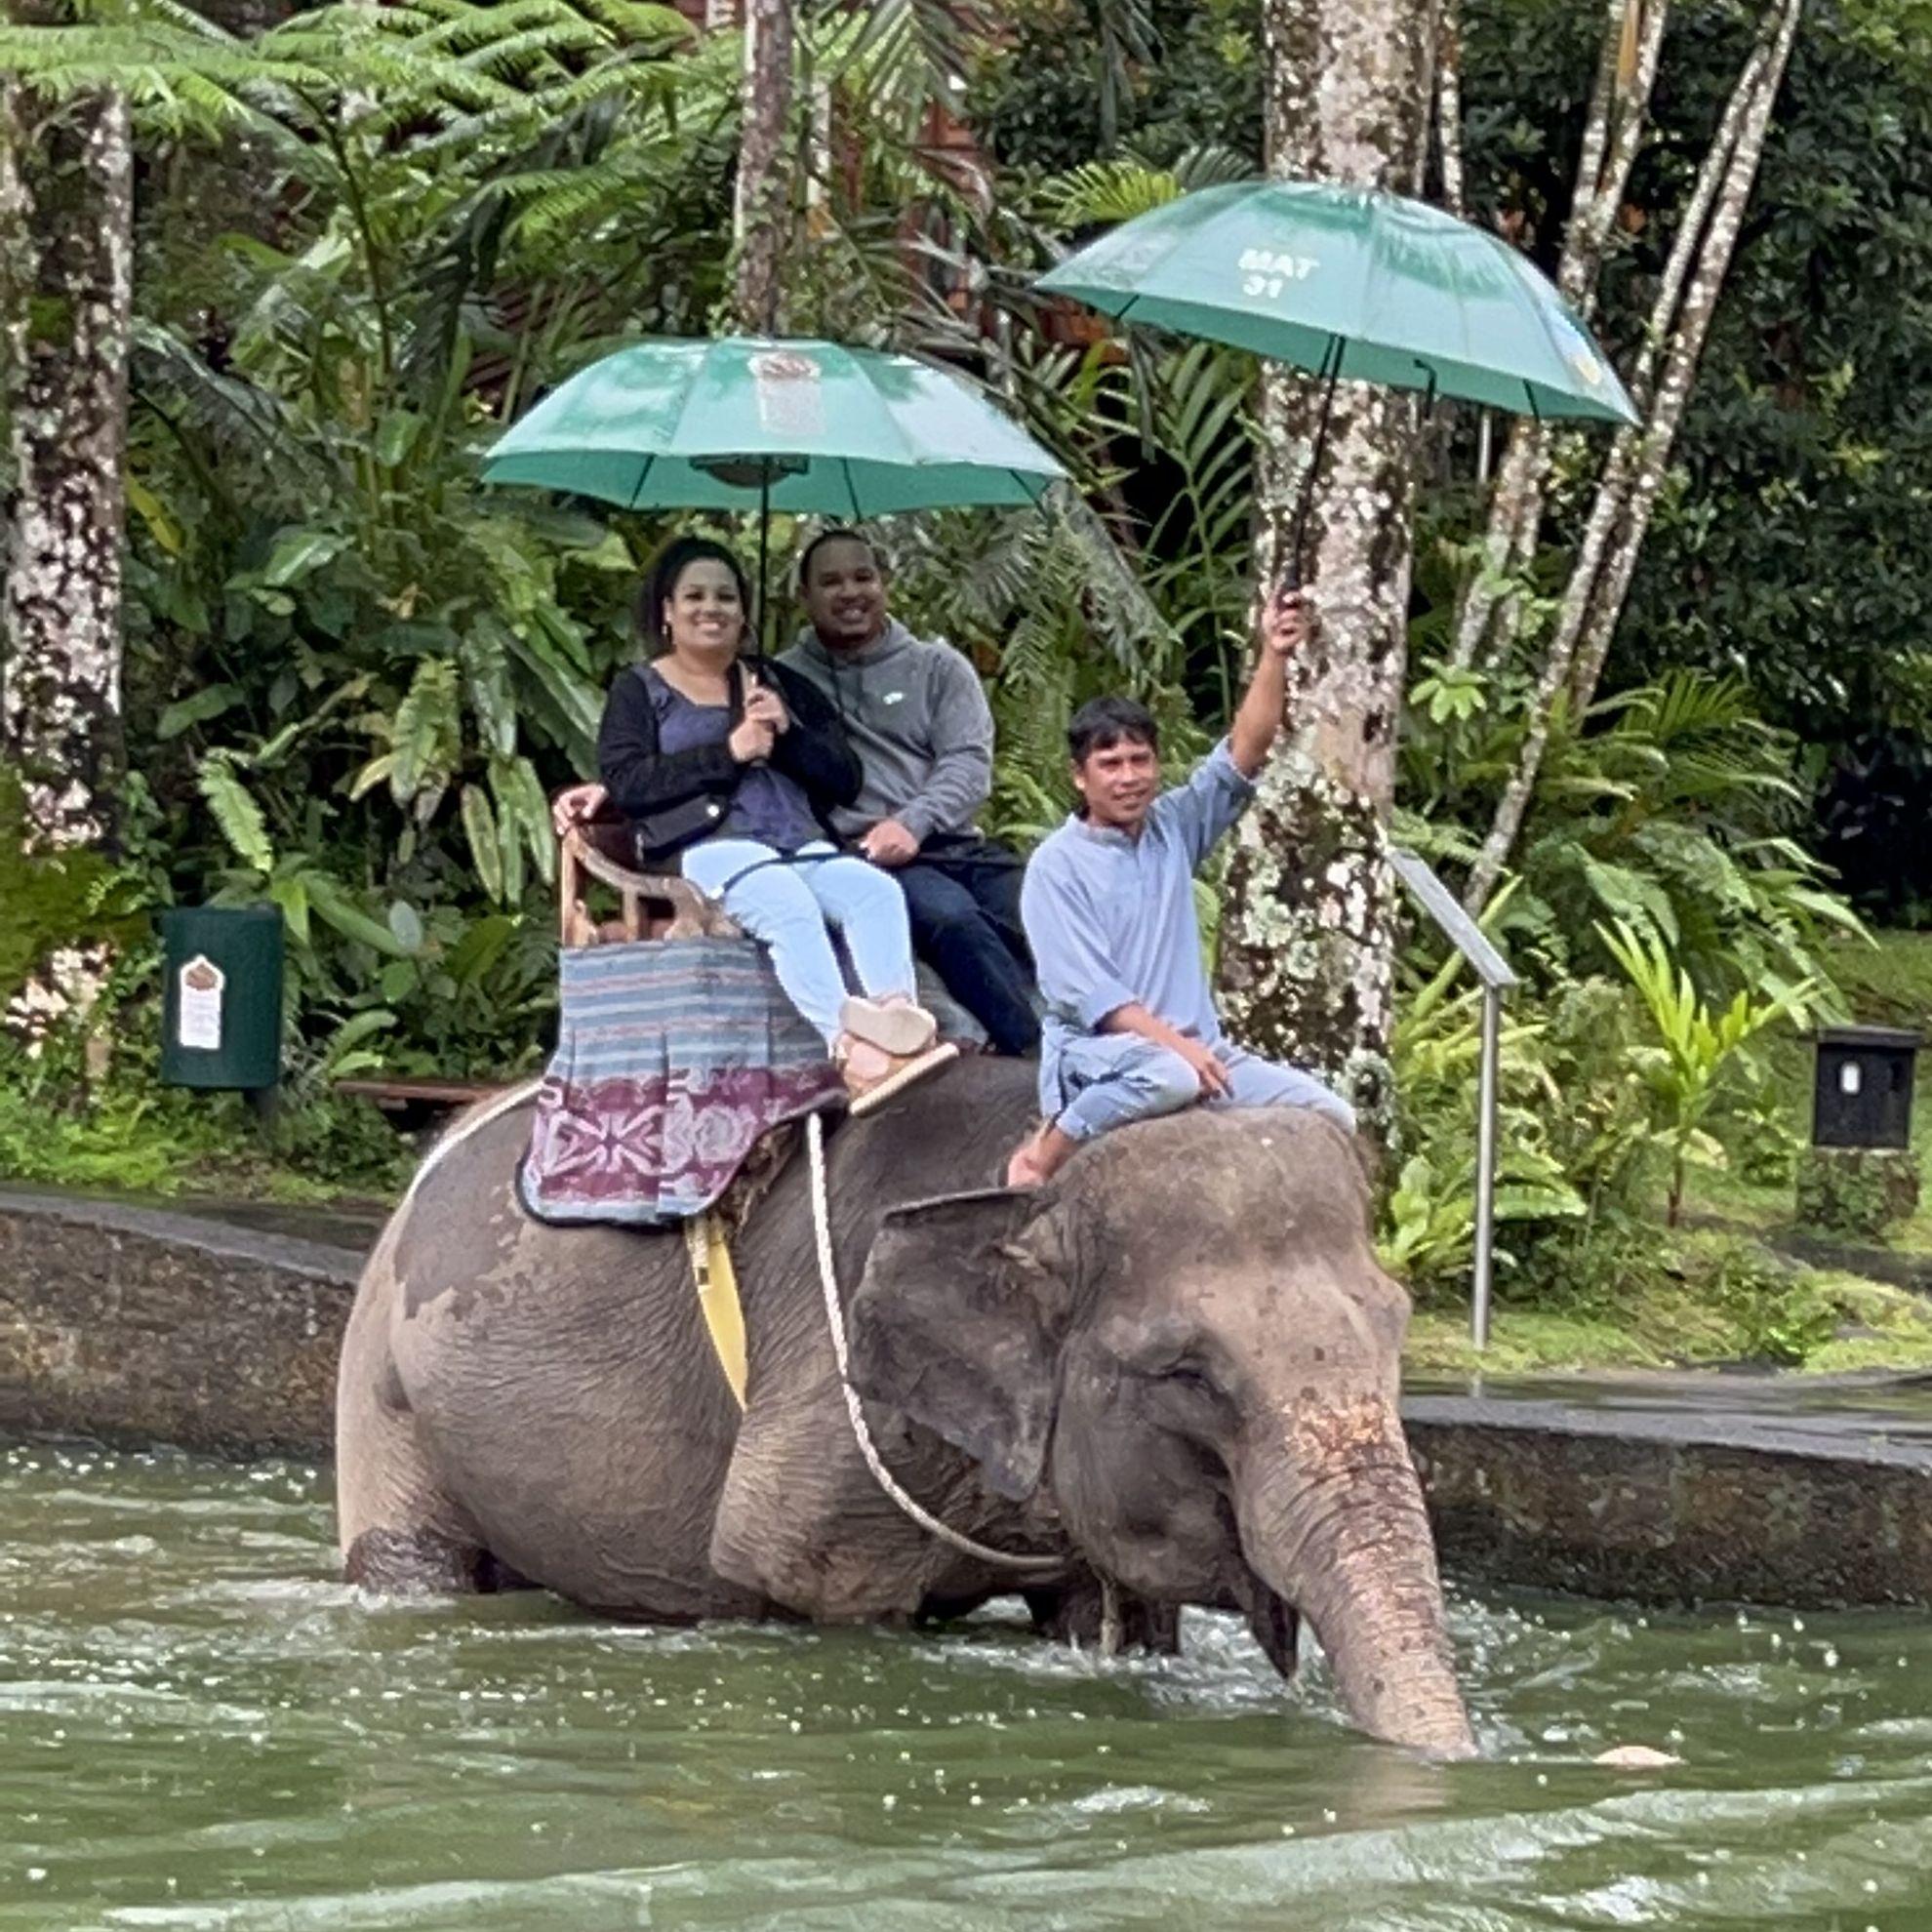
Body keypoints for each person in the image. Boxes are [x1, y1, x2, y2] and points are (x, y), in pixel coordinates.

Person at [590, 535, 955, 1114]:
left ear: (743, 612)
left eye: (726, 597)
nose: (712, 608)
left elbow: (844, 777)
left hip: (798, 843)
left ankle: (897, 1023)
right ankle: (849, 1049)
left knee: (875, 892)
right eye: (695, 597)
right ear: (667, 611)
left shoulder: (774, 682)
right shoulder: (640, 689)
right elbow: (629, 782)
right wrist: (728, 752)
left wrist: (788, 736)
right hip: (707, 847)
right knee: (786, 903)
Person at [1005, 589, 1355, 1187]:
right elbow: (1101, 1005)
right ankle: (1043, 1153)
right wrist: (1184, 1053)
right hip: (1106, 1057)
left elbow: (1246, 751)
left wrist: (1274, 653)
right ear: (1079, 777)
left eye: (1139, 760)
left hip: (1198, 1051)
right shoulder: (1055, 867)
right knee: (1169, 1076)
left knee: (1332, 1114)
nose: (1128, 777)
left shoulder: (1172, 826)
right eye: (1110, 764)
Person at [777, 530, 1040, 1057]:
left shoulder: (939, 668)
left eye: (863, 577)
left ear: (886, 584)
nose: (850, 593)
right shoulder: (782, 681)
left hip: (953, 842)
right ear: (804, 596)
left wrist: (914, 822)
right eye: (831, 582)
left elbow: (968, 762)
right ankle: (1034, 1053)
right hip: (867, 858)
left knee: (1040, 903)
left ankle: (1122, 1034)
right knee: (951, 918)